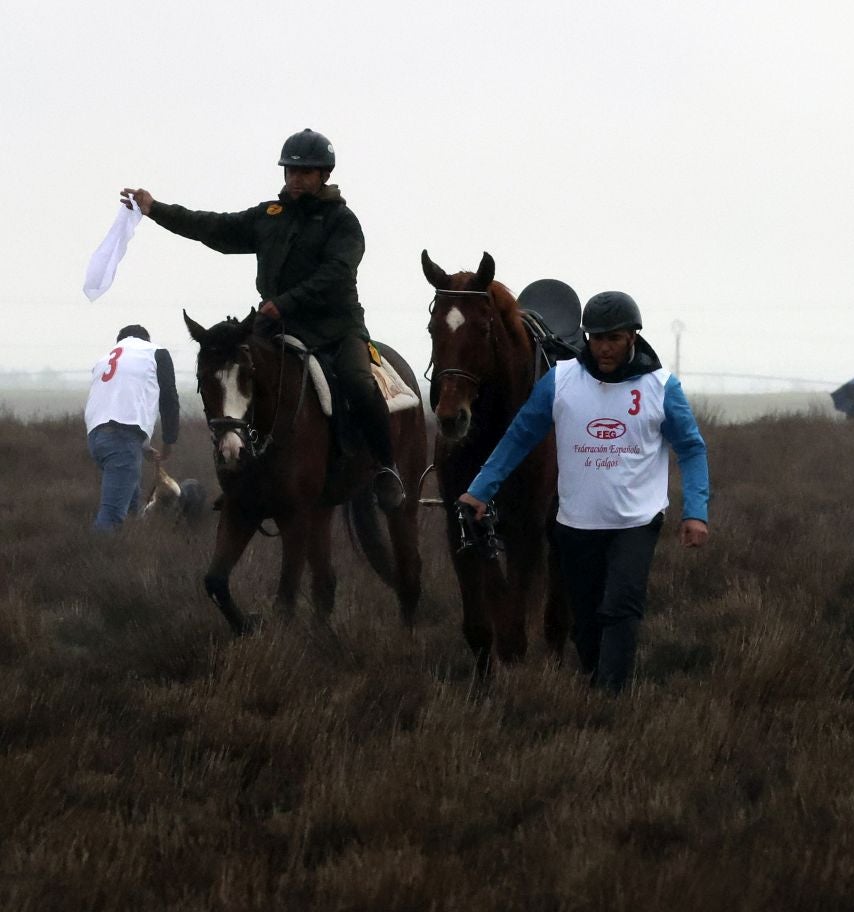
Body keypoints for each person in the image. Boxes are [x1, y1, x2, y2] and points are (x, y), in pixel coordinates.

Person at [118, 128, 405, 508]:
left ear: (324, 175)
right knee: (238, 378)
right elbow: (212, 227)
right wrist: (155, 209)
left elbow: (336, 273)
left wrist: (284, 302)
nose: (295, 179)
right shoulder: (269, 216)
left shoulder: (342, 222)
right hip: (277, 326)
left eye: (305, 172)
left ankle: (386, 468)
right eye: (290, 171)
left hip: (335, 329)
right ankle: (240, 474)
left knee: (356, 382)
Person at [459, 290, 710, 693]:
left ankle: (611, 697)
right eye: (595, 338)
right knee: (586, 619)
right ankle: (597, 680)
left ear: (632, 337)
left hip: (636, 520)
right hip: (576, 523)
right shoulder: (559, 382)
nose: (603, 348)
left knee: (621, 608)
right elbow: (519, 437)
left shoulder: (661, 387)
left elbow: (692, 449)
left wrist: (695, 511)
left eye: (613, 338)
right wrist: (480, 490)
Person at [83, 324, 180, 530]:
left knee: (132, 508)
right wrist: (169, 442)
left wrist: (142, 446)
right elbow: (169, 399)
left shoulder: (104, 360)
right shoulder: (156, 353)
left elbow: (115, 403)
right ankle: (95, 556)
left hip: (97, 439)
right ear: (146, 339)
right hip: (121, 440)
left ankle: (131, 549)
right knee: (111, 516)